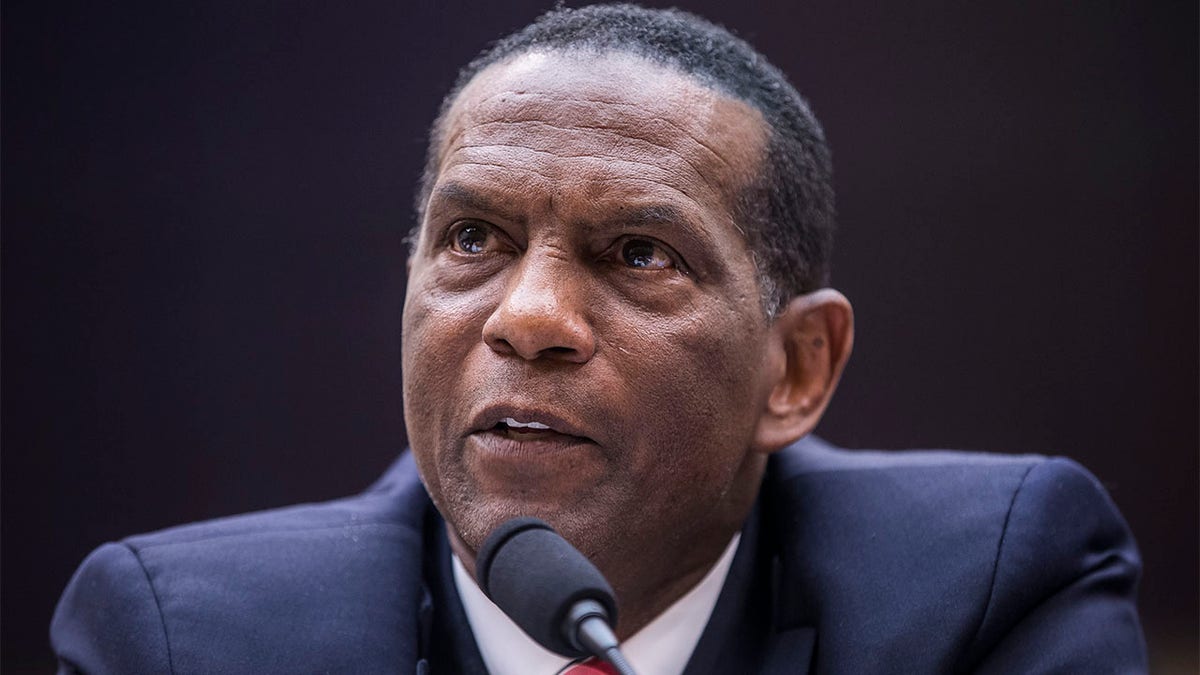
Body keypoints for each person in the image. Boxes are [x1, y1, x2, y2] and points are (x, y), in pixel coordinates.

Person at [50, 4, 1147, 673]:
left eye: (636, 254)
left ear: (797, 368)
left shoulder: (990, 592)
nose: (525, 317)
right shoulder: (183, 644)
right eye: (473, 237)